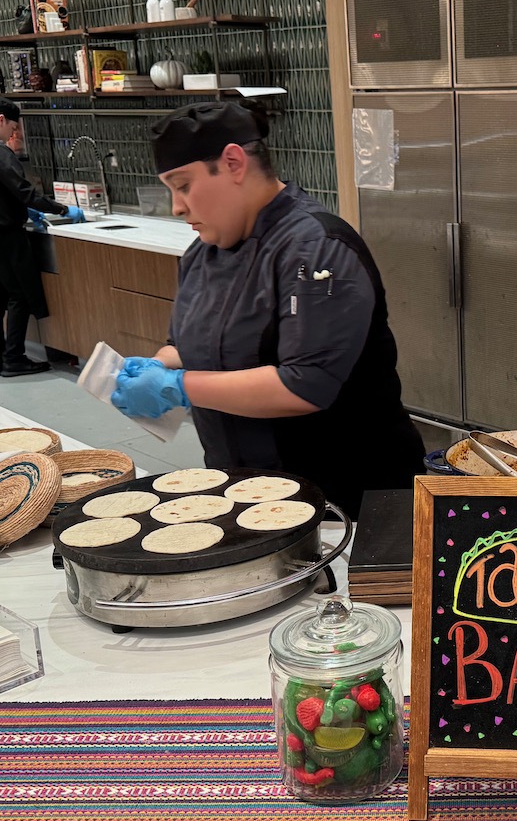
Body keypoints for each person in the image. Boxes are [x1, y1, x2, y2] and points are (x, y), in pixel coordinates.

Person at [111, 101, 424, 518]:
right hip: (248, 490)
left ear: (234, 163)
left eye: (183, 185)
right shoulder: (202, 254)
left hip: (346, 497)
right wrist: (155, 366)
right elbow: (195, 343)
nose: (177, 208)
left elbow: (305, 384)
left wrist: (179, 386)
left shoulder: (317, 249)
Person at [0, 95, 85, 377]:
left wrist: (26, 208)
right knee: (19, 295)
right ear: (0, 119)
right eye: (13, 127)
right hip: (3, 233)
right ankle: (14, 358)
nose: (13, 134)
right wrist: (61, 209)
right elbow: (24, 191)